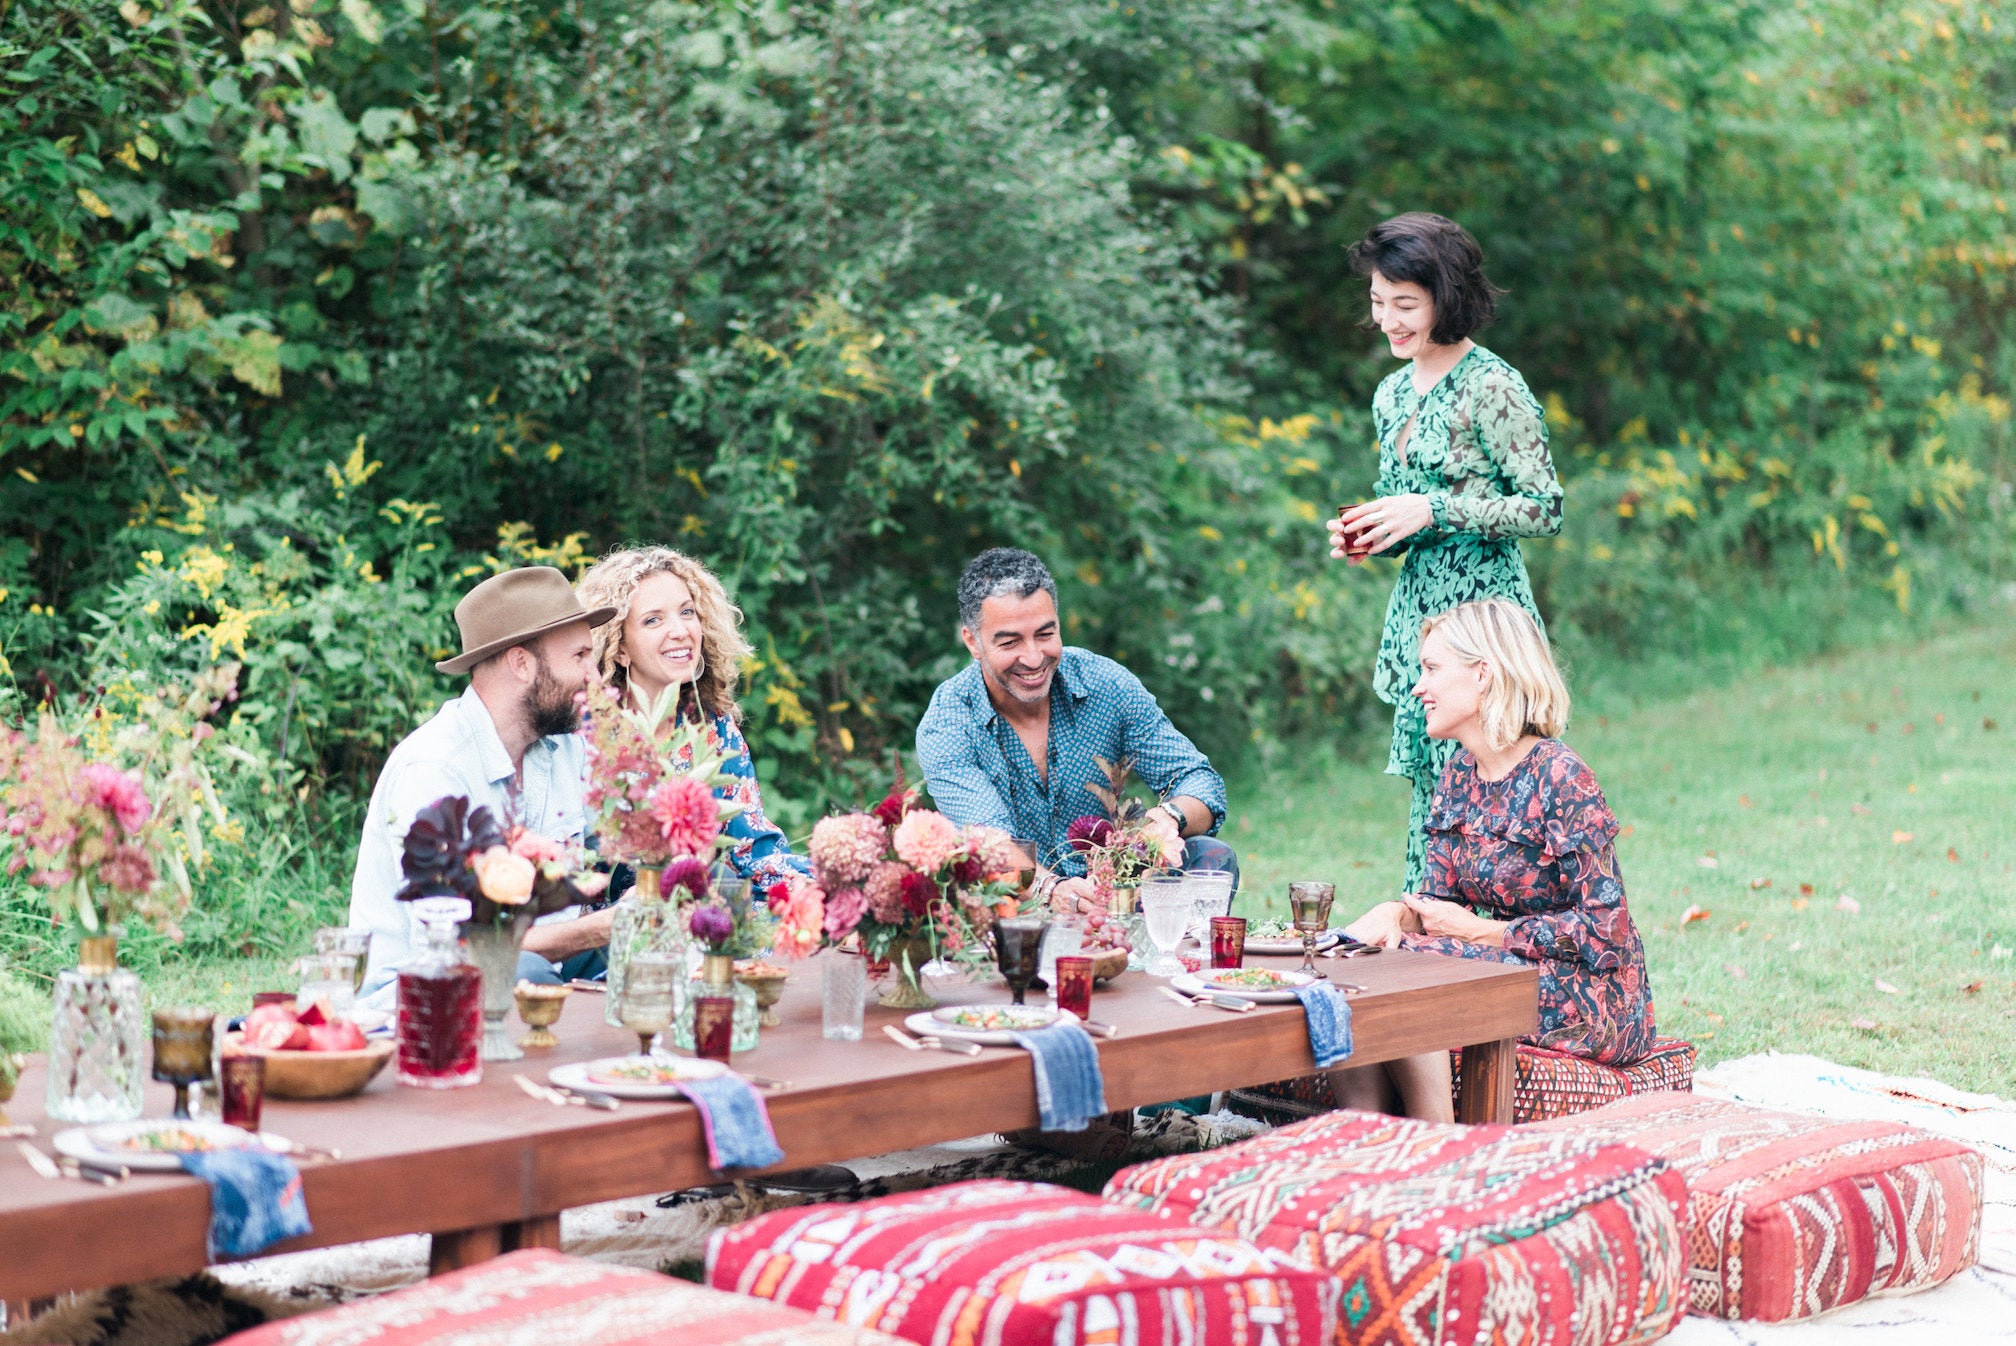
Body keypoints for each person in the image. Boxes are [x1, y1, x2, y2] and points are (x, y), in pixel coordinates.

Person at [1331, 599, 1655, 1121]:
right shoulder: (1459, 772)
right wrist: (1393, 914)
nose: (1419, 686)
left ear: (1483, 675)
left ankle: (1439, 1142)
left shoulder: (1560, 776)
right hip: (1508, 970)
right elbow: (1437, 905)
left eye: (1432, 669)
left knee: (1419, 968)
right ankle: (1364, 1137)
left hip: (1593, 994)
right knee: (1364, 959)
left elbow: (1606, 931)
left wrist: (1485, 934)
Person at [1325, 212, 1563, 895]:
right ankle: (1432, 946)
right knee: (1434, 803)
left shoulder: (1493, 387)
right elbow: (1405, 512)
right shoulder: (1391, 393)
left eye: (1405, 304)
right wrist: (1369, 536)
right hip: (1420, 617)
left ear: (1445, 297)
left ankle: (1504, 963)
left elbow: (1544, 507)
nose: (1388, 320)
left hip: (1485, 621)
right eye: (1378, 302)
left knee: (1494, 799)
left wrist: (1435, 508)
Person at [349, 567, 616, 1004]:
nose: (596, 677)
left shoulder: (564, 750)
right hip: (419, 994)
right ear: (522, 663)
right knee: (524, 969)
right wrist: (598, 929)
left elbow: (619, 843)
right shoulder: (434, 770)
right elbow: (458, 947)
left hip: (538, 969)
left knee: (646, 953)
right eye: (580, 657)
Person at [916, 547, 1236, 912]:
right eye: (1010, 642)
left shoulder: (1107, 685)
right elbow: (991, 842)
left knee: (1211, 855)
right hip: (1015, 908)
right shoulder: (948, 722)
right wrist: (1052, 890)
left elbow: (1199, 780)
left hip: (1118, 894)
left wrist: (1168, 819)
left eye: (1045, 634)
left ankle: (1180, 965)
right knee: (986, 888)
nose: (1034, 658)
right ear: (973, 641)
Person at [573, 545, 809, 889]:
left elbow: (753, 851)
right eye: (653, 620)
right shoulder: (588, 737)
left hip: (698, 912)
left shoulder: (712, 727)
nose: (681, 630)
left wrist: (818, 890)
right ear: (619, 648)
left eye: (687, 612)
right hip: (609, 925)